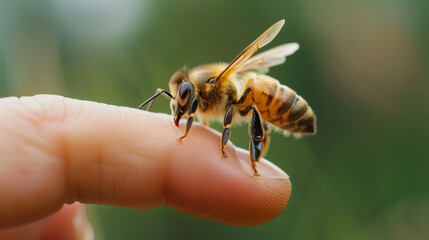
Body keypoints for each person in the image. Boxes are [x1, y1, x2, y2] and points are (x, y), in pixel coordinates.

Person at [0, 95, 291, 239]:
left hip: (272, 99)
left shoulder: (220, 93)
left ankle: (255, 154)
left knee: (252, 102)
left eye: (184, 98)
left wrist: (216, 140)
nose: (178, 106)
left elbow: (231, 109)